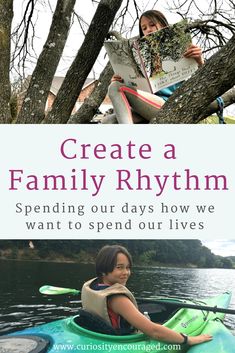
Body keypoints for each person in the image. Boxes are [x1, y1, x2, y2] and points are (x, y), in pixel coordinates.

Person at [81, 244, 212, 346]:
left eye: (128, 267)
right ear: (104, 270)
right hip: (121, 341)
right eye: (119, 267)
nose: (126, 272)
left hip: (99, 334)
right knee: (159, 326)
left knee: (158, 323)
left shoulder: (93, 286)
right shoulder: (118, 299)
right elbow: (154, 331)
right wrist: (188, 340)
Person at [102, 10, 204, 124]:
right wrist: (121, 80)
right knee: (108, 121)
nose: (148, 30)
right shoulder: (141, 56)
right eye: (144, 28)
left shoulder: (180, 46)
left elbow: (203, 80)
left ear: (164, 25)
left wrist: (200, 61)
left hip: (170, 104)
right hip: (147, 104)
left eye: (152, 25)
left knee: (115, 87)